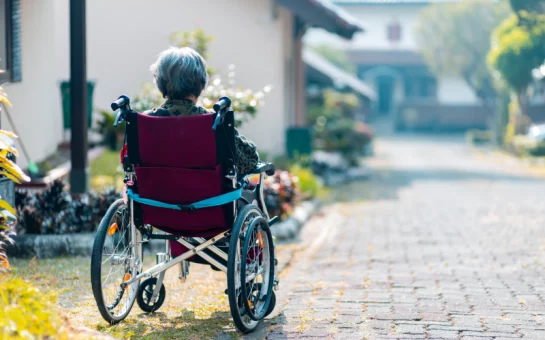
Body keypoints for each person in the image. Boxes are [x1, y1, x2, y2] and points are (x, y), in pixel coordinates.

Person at [144, 47, 259, 176]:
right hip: (207, 194)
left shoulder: (143, 122)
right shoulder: (215, 121)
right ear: (200, 85)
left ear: (161, 86)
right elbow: (250, 159)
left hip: (155, 193)